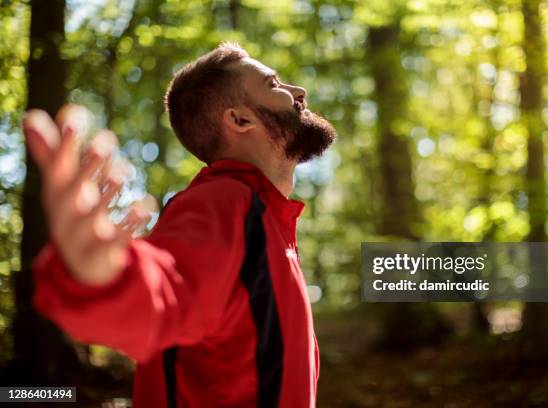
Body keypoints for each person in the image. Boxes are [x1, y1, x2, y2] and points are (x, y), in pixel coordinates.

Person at [23, 42, 337, 408]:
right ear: (239, 120)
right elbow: (163, 292)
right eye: (273, 84)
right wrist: (102, 278)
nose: (298, 92)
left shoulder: (266, 216)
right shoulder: (223, 203)